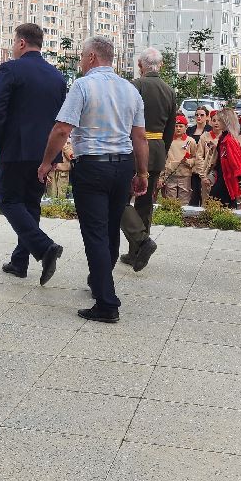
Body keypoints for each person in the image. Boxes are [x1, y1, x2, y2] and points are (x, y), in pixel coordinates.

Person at [38, 36, 148, 323]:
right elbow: (139, 136)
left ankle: (106, 302)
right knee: (110, 229)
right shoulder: (130, 89)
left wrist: (47, 162)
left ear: (91, 58)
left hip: (93, 166)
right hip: (123, 165)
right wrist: (142, 172)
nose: (80, 62)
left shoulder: (83, 86)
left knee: (95, 233)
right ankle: (101, 283)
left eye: (81, 57)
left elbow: (62, 129)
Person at [0, 22, 67, 283]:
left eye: (14, 42)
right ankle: (19, 262)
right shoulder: (57, 76)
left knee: (8, 201)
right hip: (45, 153)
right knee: (31, 204)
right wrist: (54, 156)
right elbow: (60, 119)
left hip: (15, 149)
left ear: (21, 43)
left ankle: (44, 247)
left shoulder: (11, 69)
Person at [119, 47, 175, 271]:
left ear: (140, 65)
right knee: (145, 202)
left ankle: (141, 241)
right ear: (161, 65)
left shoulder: (134, 86)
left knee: (120, 200)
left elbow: (124, 121)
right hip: (157, 149)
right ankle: (136, 253)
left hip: (134, 149)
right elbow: (170, 128)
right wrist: (162, 150)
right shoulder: (169, 91)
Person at [208, 108, 241, 206]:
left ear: (226, 122)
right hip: (222, 177)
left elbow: (236, 162)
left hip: (226, 180)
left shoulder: (229, 140)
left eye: (219, 120)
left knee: (216, 203)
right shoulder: (224, 138)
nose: (217, 122)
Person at [161, 115, 197, 201]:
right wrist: (162, 176)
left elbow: (195, 157)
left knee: (184, 200)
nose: (178, 128)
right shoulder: (168, 140)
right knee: (170, 200)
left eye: (181, 126)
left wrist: (187, 161)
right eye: (176, 126)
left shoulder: (190, 141)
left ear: (186, 127)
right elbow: (163, 158)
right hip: (170, 175)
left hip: (185, 175)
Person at [187, 105, 210, 204]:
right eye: (197, 115)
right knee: (193, 194)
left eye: (202, 115)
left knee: (205, 194)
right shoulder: (190, 130)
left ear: (207, 117)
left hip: (205, 164)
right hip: (192, 166)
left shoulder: (209, 130)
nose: (199, 117)